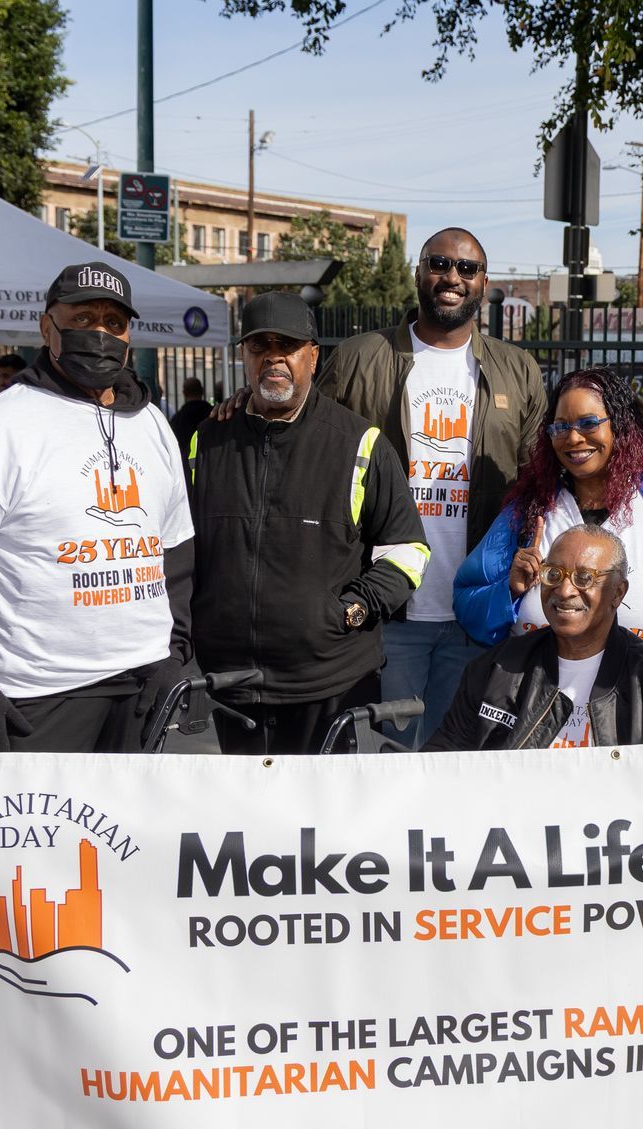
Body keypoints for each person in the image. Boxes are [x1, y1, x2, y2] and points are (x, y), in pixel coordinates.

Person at [0, 263, 193, 754]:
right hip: (38, 692)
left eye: (113, 324)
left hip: (141, 684)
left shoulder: (153, 425)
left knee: (124, 830)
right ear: (46, 326)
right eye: (82, 320)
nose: (99, 335)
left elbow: (177, 550)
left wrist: (174, 654)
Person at [316, 227, 549, 744]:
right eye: (440, 263)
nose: (452, 277)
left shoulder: (517, 370)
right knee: (385, 759)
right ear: (419, 273)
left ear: (484, 283)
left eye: (467, 269)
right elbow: (309, 441)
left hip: (476, 610)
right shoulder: (360, 359)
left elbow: (539, 481)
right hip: (387, 608)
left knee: (453, 761)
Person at [187, 291, 428, 755]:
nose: (273, 358)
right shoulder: (207, 440)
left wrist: (351, 609)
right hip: (233, 686)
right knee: (248, 823)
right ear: (243, 355)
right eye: (260, 347)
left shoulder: (360, 443)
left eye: (288, 346)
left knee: (329, 825)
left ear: (313, 356)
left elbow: (408, 550)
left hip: (332, 685)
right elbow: (182, 549)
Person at [455, 368, 643, 724]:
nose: (573, 438)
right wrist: (507, 591)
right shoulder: (527, 514)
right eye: (560, 426)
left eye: (588, 422)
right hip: (542, 721)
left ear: (620, 427)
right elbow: (468, 600)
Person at [429, 526, 643, 749]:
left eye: (584, 578)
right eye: (553, 574)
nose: (564, 591)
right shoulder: (495, 670)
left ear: (618, 592)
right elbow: (440, 764)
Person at [167, 375, 212, 457]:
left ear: (184, 393)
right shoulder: (213, 413)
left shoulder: (177, 419)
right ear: (202, 390)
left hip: (186, 465)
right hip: (210, 461)